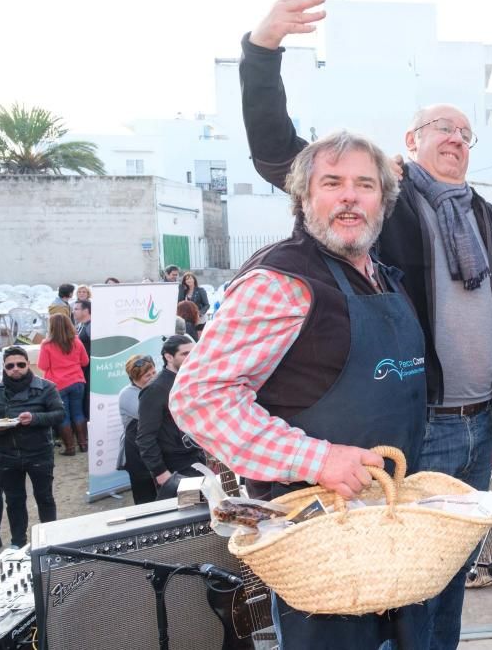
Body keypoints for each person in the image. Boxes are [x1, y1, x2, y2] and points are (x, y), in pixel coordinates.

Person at [239, 0, 492, 647]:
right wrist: (262, 52)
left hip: (481, 425)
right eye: (440, 129)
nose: (455, 138)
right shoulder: (383, 203)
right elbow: (283, 154)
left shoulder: (490, 218)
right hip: (421, 426)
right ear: (410, 142)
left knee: (448, 570)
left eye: (465, 132)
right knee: (397, 580)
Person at [170, 130, 429, 649]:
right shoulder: (281, 281)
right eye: (332, 183)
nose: (350, 196)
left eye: (365, 184)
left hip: (388, 534)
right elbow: (199, 397)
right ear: (304, 197)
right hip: (318, 541)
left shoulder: (382, 276)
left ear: (384, 200)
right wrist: (317, 459)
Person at [0, 346, 64, 549]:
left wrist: (35, 418)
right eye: (10, 365)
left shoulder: (46, 387)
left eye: (20, 364)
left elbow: (59, 414)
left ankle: (50, 540)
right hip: (7, 455)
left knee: (44, 497)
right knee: (14, 501)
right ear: (4, 368)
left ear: (28, 364)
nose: (15, 369)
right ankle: (18, 542)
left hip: (39, 453)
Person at [136, 335, 203, 500]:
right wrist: (161, 473)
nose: (192, 357)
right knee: (188, 513)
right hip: (175, 466)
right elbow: (145, 437)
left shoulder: (190, 379)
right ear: (168, 357)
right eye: (185, 354)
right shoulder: (155, 389)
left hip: (196, 458)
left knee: (203, 511)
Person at [37, 313, 89, 455]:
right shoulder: (76, 341)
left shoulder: (47, 344)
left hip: (58, 384)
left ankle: (70, 448)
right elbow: (85, 361)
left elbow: (43, 365)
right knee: (78, 413)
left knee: (63, 416)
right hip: (77, 381)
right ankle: (83, 445)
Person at [117, 355, 158, 505]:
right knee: (144, 495)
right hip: (136, 450)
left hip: (153, 447)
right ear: (135, 377)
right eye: (147, 375)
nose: (153, 377)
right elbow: (150, 416)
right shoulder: (127, 394)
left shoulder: (153, 388)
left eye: (154, 372)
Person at [73, 299, 92, 421]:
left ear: (86, 310)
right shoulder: (80, 325)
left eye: (76, 309)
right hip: (83, 368)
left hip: (91, 368)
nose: (73, 312)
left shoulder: (91, 326)